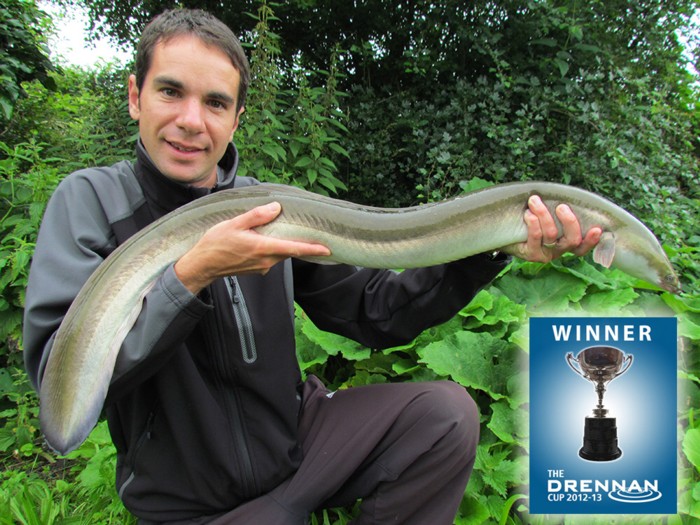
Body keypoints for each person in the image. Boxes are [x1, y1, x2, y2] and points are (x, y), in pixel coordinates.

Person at [23, 9, 601, 525]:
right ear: (135, 96)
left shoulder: (272, 208)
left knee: (444, 417)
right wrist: (188, 276)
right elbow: (64, 386)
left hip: (296, 454)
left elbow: (376, 313)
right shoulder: (91, 203)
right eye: (170, 92)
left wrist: (490, 248)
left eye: (216, 103)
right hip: (186, 502)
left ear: (236, 118)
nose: (192, 120)